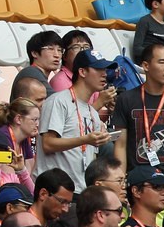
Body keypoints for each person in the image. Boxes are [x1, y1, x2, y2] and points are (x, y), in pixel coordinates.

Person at [37, 50, 116, 192]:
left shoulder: (92, 112)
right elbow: (48, 144)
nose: (104, 74)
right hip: (54, 191)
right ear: (82, 72)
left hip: (81, 189)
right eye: (98, 69)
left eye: (104, 69)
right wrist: (85, 139)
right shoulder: (58, 101)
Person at [112, 38, 164, 171]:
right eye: (162, 62)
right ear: (146, 66)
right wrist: (121, 180)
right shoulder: (126, 99)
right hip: (138, 179)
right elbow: (120, 145)